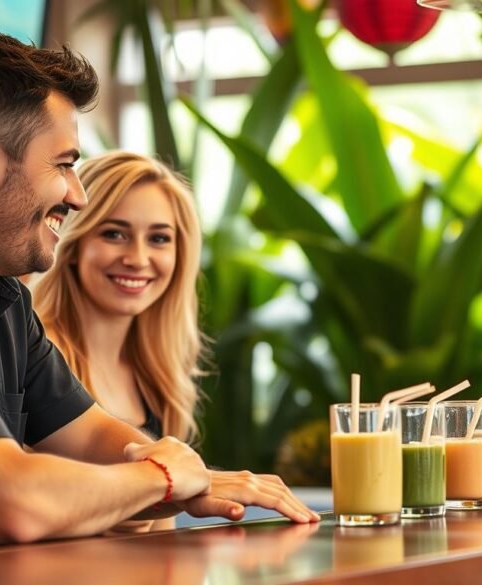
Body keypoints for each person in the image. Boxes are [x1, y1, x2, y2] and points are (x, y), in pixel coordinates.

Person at [0, 29, 317, 557]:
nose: (77, 194)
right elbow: (9, 501)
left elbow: (96, 440)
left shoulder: (0, 296)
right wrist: (167, 476)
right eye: (65, 164)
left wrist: (197, 480)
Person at [34, 151, 294, 533]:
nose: (137, 258)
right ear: (74, 243)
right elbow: (41, 510)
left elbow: (161, 533)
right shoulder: (36, 359)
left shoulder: (157, 370)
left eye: (158, 238)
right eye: (114, 234)